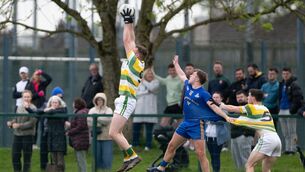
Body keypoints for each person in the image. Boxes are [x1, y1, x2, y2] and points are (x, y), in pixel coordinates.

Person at [148, 55, 231, 172]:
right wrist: (176, 64)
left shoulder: (203, 93)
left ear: (197, 79)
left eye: (193, 74)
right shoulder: (188, 86)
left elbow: (215, 108)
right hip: (185, 123)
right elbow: (182, 74)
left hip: (198, 125)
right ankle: (161, 168)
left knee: (201, 154)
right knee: (171, 145)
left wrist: (226, 116)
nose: (190, 75)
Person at [108, 4, 148, 171]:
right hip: (125, 99)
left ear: (137, 54)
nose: (131, 49)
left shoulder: (135, 62)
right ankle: (128, 158)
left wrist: (127, 21)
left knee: (113, 133)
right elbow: (131, 40)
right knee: (118, 132)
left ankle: (132, 156)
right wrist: (130, 22)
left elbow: (127, 40)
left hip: (126, 100)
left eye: (134, 50)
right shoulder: (137, 62)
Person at [220, 89, 282, 172]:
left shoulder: (251, 107)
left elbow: (231, 108)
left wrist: (221, 105)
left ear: (253, 98)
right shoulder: (265, 108)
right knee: (266, 169)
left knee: (249, 165)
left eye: (248, 96)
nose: (247, 98)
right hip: (277, 141)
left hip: (267, 140)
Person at [7, 90, 37, 172]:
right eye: (25, 97)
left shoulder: (34, 108)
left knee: (27, 158)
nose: (26, 98)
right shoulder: (19, 107)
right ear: (22, 98)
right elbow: (16, 118)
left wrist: (19, 125)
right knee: (15, 156)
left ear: (31, 98)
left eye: (28, 97)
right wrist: (11, 123)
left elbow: (31, 123)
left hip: (28, 136)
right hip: (17, 135)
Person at [132, 68, 160, 151]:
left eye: (151, 74)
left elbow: (151, 88)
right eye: (148, 74)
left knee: (149, 130)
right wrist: (146, 92)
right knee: (136, 129)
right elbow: (136, 94)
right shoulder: (138, 83)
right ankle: (135, 145)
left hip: (150, 109)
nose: (150, 75)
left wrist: (143, 81)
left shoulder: (156, 82)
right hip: (140, 109)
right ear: (145, 75)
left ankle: (148, 146)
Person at [278, 67, 303, 155]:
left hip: (289, 110)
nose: (285, 75)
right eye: (283, 74)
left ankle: (293, 149)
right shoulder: (281, 84)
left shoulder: (294, 84)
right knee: (285, 132)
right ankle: (288, 149)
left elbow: (298, 98)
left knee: (292, 131)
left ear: (290, 74)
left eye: (287, 74)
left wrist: (292, 110)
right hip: (281, 110)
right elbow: (280, 97)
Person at [204, 91, 230, 172]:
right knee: (211, 155)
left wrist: (210, 119)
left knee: (216, 155)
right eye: (213, 97)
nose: (215, 99)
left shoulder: (224, 107)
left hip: (218, 135)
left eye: (217, 97)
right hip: (208, 135)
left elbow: (222, 119)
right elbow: (205, 118)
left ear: (221, 98)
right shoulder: (208, 106)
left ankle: (216, 170)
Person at [230, 90, 255, 171]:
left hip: (244, 136)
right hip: (234, 136)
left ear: (246, 97)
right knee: (237, 162)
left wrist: (246, 134)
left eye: (241, 97)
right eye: (238, 97)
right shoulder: (236, 108)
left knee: (247, 161)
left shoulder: (250, 108)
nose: (239, 99)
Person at [88, 93, 113, 171]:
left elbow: (108, 120)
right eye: (98, 100)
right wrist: (101, 120)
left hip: (107, 137)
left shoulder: (108, 110)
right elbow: (89, 122)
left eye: (101, 100)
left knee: (106, 158)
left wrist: (96, 117)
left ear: (104, 100)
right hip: (96, 137)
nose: (99, 101)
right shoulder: (92, 110)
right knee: (96, 157)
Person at [42, 96, 67, 172]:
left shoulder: (62, 110)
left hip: (60, 138)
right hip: (51, 138)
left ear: (59, 103)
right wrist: (48, 110)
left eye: (56, 102)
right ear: (50, 103)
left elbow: (49, 112)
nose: (54, 104)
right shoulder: (49, 112)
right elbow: (42, 113)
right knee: (54, 159)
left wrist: (48, 109)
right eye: (53, 102)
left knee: (60, 161)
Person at [66, 98, 89, 172]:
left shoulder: (81, 113)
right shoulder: (81, 112)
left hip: (81, 140)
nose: (72, 104)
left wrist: (70, 132)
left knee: (81, 160)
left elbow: (80, 126)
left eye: (74, 103)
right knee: (80, 160)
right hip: (80, 139)